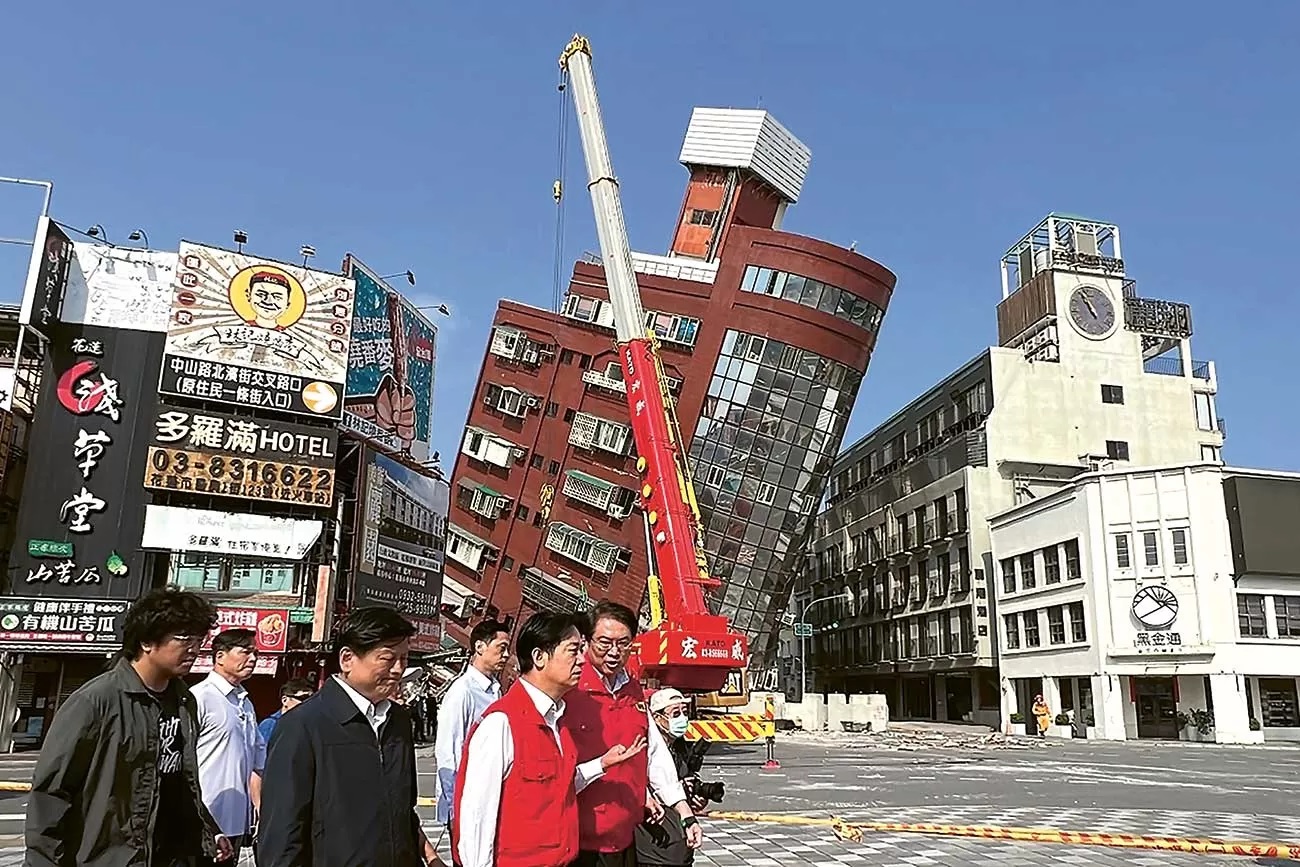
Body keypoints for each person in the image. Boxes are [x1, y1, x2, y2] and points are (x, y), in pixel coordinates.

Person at [25, 587, 233, 866]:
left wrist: (209, 831)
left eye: (198, 639)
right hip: (112, 856)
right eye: (183, 638)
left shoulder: (185, 701)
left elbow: (181, 782)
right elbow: (52, 793)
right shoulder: (96, 701)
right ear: (147, 641)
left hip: (174, 854)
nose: (194, 648)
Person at [453, 611, 648, 867]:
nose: (582, 660)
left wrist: (601, 764)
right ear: (539, 657)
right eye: (573, 650)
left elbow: (557, 788)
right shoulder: (501, 724)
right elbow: (476, 818)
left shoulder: (557, 719)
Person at [259, 606, 440, 867]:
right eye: (388, 659)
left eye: (404, 659)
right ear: (347, 659)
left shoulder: (398, 721)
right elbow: (282, 835)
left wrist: (429, 856)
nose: (399, 669)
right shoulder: (303, 726)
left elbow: (403, 813)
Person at [568, 602, 703, 867]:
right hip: (580, 841)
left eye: (623, 643)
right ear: (586, 641)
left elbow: (652, 752)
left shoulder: (631, 689)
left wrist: (684, 810)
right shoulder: (570, 689)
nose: (614, 652)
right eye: (604, 643)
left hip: (624, 834)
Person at [192, 628, 267, 864]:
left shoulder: (245, 703)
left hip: (237, 823)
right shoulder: (199, 697)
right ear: (220, 656)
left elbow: (257, 764)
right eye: (245, 652)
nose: (253, 659)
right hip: (203, 821)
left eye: (254, 653)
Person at [435, 618, 509, 826]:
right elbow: (448, 750)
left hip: (488, 794)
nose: (506, 655)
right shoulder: (462, 691)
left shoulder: (496, 690)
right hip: (465, 799)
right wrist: (454, 804)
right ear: (479, 646)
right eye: (501, 648)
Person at [635, 689, 704, 867]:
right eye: (675, 713)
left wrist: (690, 802)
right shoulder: (644, 747)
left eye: (684, 712)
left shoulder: (681, 749)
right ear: (656, 718)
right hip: (655, 842)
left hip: (679, 837)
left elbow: (673, 786)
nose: (682, 718)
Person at [258, 678, 317, 744]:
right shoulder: (270, 724)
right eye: (303, 698)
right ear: (285, 700)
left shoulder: (309, 726)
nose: (308, 703)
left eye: (311, 699)